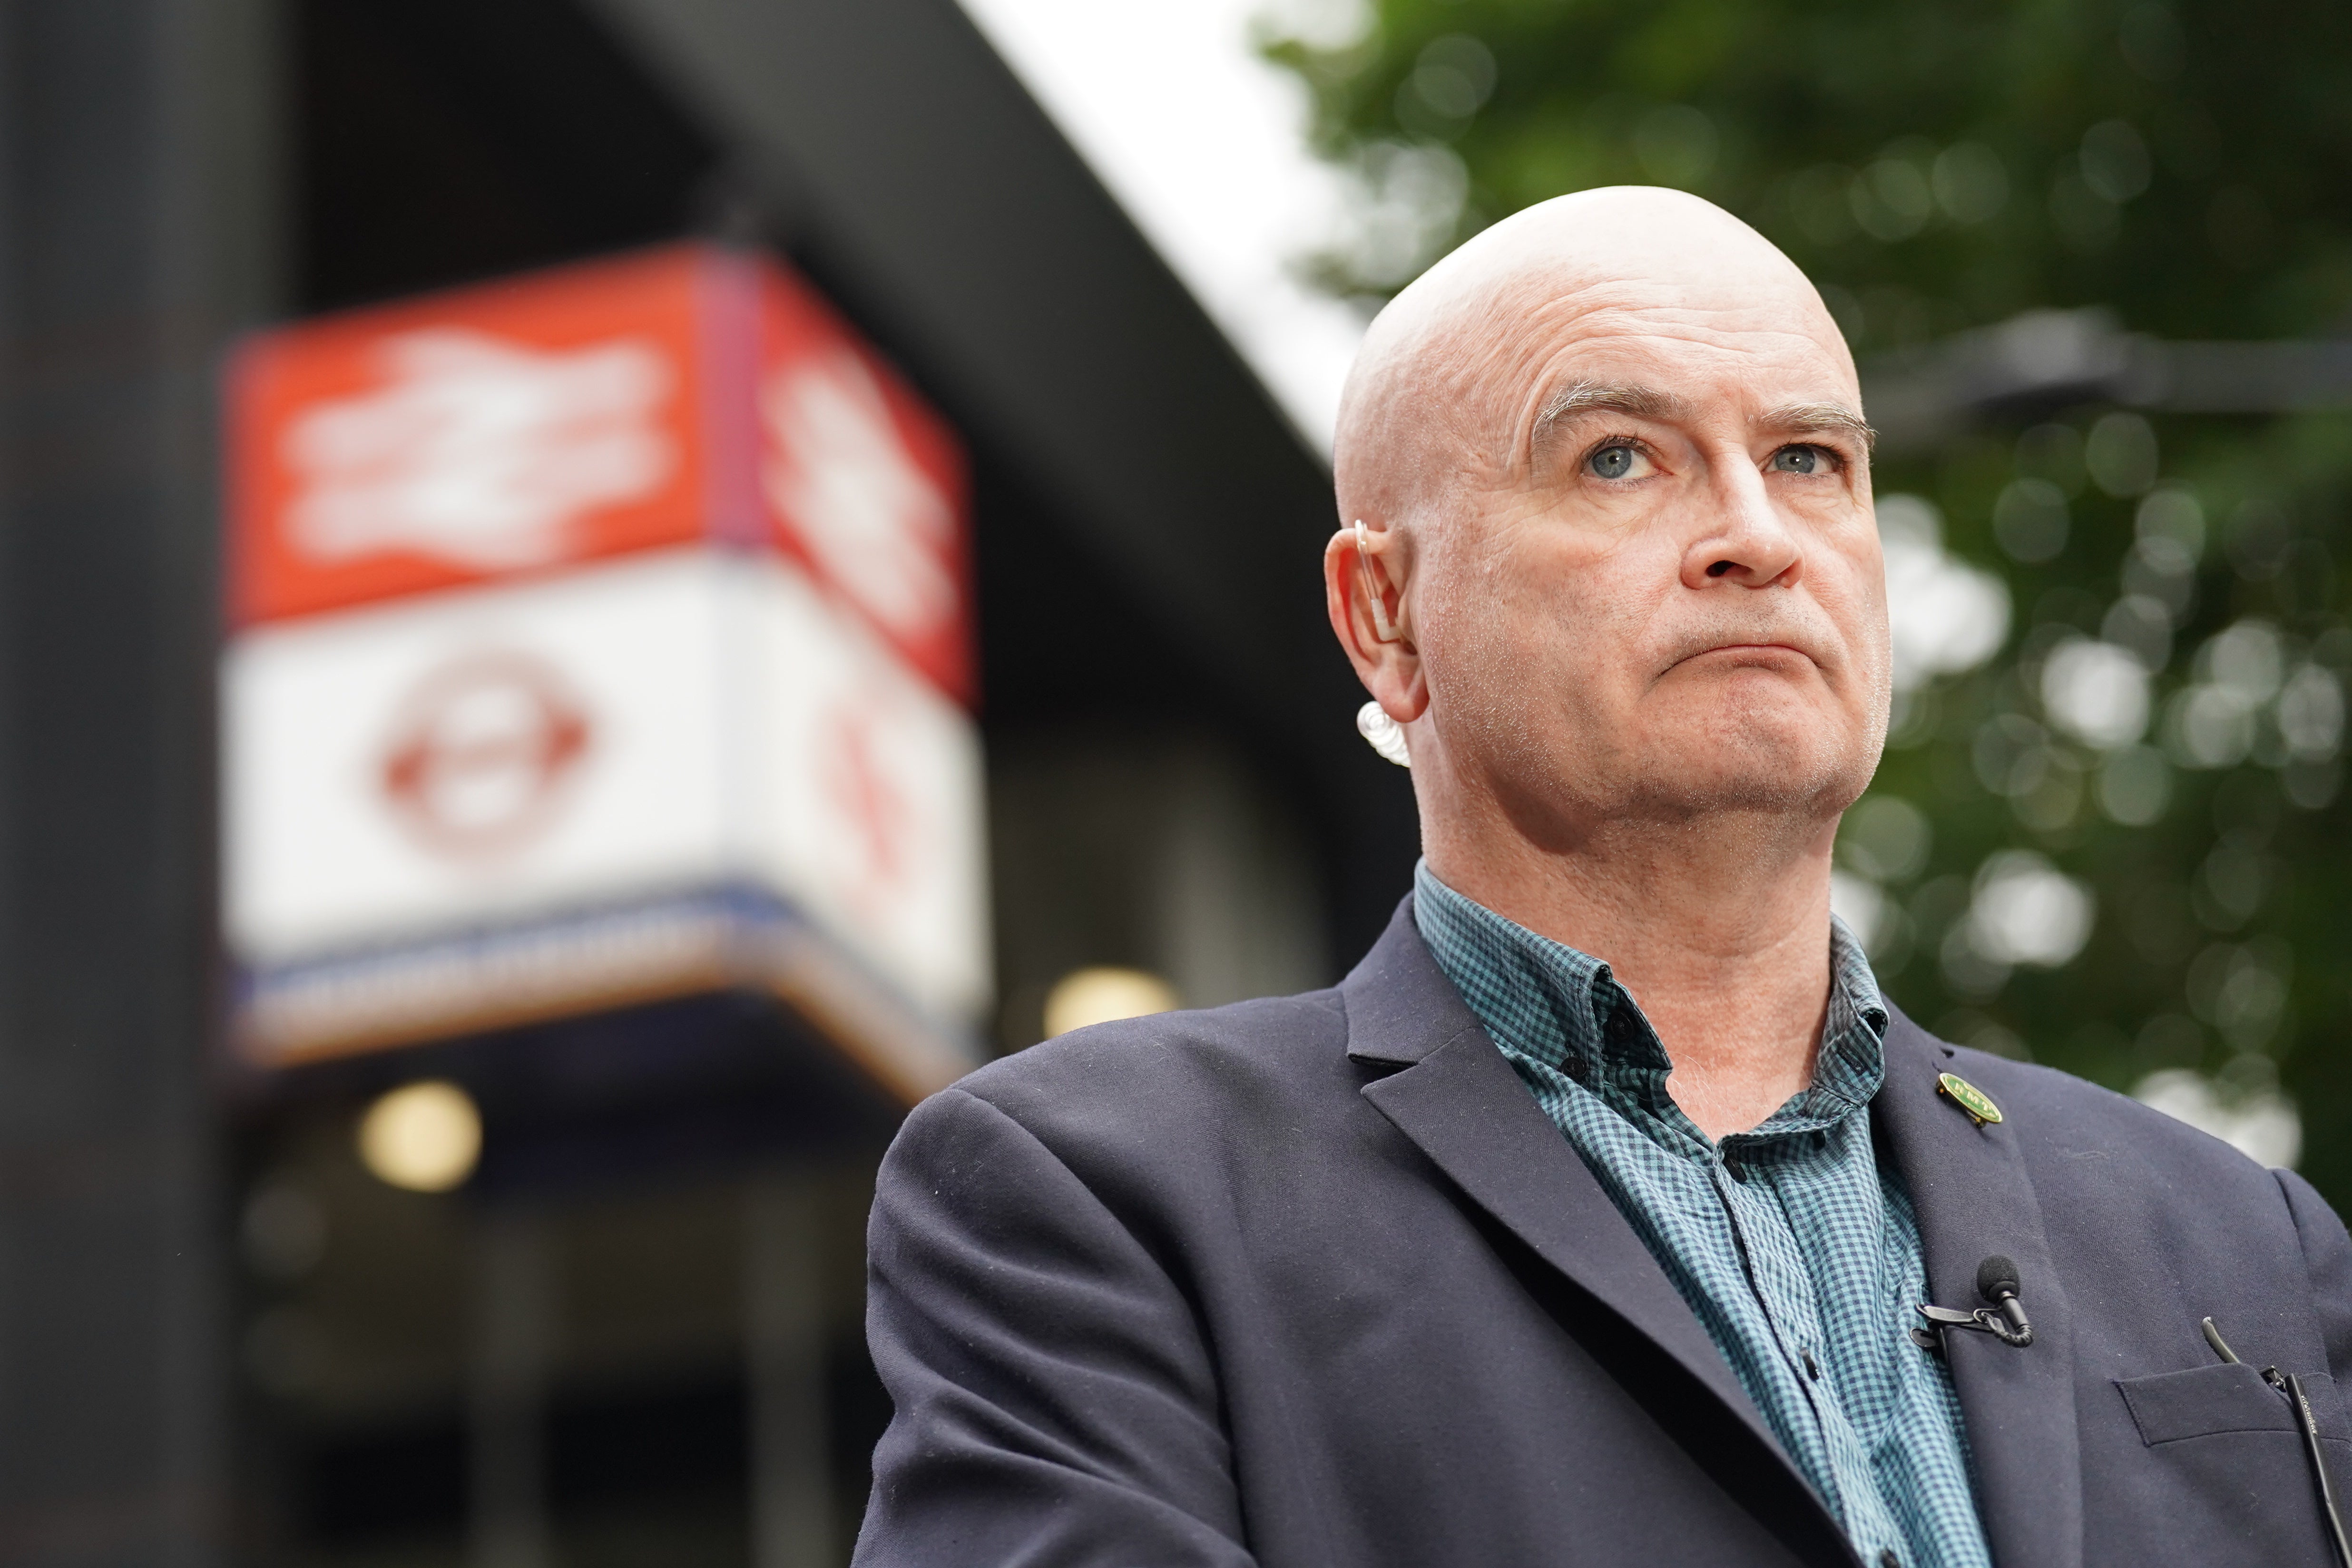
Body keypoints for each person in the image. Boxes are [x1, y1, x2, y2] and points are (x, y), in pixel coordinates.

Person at [850, 187, 2352, 1568]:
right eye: (1620, 457)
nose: (1756, 538)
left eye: (1810, 460)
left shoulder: (2242, 1238)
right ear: (1387, 614)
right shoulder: (1101, 1197)